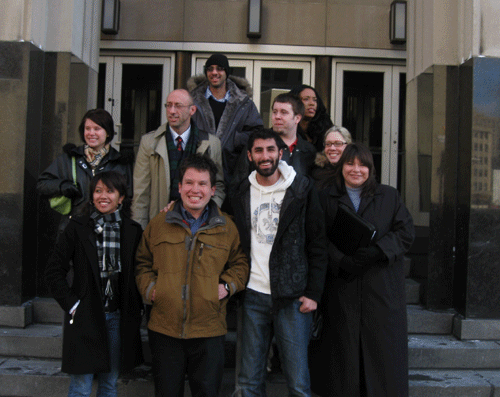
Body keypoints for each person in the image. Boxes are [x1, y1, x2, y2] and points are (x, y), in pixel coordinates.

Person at [135, 154, 249, 397]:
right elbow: (142, 262)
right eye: (189, 182)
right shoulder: (159, 223)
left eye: (202, 183)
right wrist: (151, 289)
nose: (195, 189)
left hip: (209, 330)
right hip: (165, 328)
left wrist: (227, 286)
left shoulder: (226, 227)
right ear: (179, 187)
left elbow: (240, 264)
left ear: (212, 189)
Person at [310, 143, 415, 397]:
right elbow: (317, 238)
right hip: (341, 289)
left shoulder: (389, 196)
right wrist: (340, 260)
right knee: (342, 361)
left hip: (380, 292)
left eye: (362, 164)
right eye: (350, 163)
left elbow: (405, 233)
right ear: (341, 167)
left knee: (382, 361)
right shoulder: (325, 196)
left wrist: (378, 251)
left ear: (371, 168)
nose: (356, 170)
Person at [231, 128, 327, 397]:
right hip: (253, 295)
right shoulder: (239, 192)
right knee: (249, 382)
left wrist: (313, 293)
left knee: (297, 383)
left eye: (270, 150)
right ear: (250, 155)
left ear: (280, 153)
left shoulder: (302, 189)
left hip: (293, 297)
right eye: (259, 150)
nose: (265, 156)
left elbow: (317, 244)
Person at [44, 171, 144, 397]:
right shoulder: (77, 227)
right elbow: (53, 271)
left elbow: (141, 272)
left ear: (121, 198)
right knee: (80, 388)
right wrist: (72, 305)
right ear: (91, 196)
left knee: (109, 386)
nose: (103, 196)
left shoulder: (133, 231)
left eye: (110, 191)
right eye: (98, 191)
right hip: (85, 317)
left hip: (117, 319)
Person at [131, 88, 225, 229]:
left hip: (199, 223)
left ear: (192, 110)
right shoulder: (149, 142)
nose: (172, 111)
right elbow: (141, 194)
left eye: (178, 106)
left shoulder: (211, 143)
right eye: (168, 105)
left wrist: (206, 212)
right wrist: (140, 230)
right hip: (161, 222)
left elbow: (218, 187)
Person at [37, 109, 133, 234]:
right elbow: (42, 185)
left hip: (108, 231)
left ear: (108, 132)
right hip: (74, 230)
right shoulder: (69, 158)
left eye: (97, 128)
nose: (91, 133)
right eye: (87, 129)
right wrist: (62, 186)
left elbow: (128, 197)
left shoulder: (119, 162)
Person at [187, 53, 263, 186]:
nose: (214, 72)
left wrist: (235, 140)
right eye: (210, 69)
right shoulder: (192, 101)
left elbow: (257, 134)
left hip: (232, 174)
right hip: (198, 174)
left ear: (226, 72)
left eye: (219, 68)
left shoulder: (244, 103)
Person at [289, 85, 333, 152]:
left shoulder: (324, 127)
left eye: (315, 100)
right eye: (306, 99)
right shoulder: (286, 129)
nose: (312, 103)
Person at [311, 125, 352, 190]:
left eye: (338, 143)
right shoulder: (316, 174)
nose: (332, 148)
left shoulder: (355, 172)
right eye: (328, 144)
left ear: (348, 146)